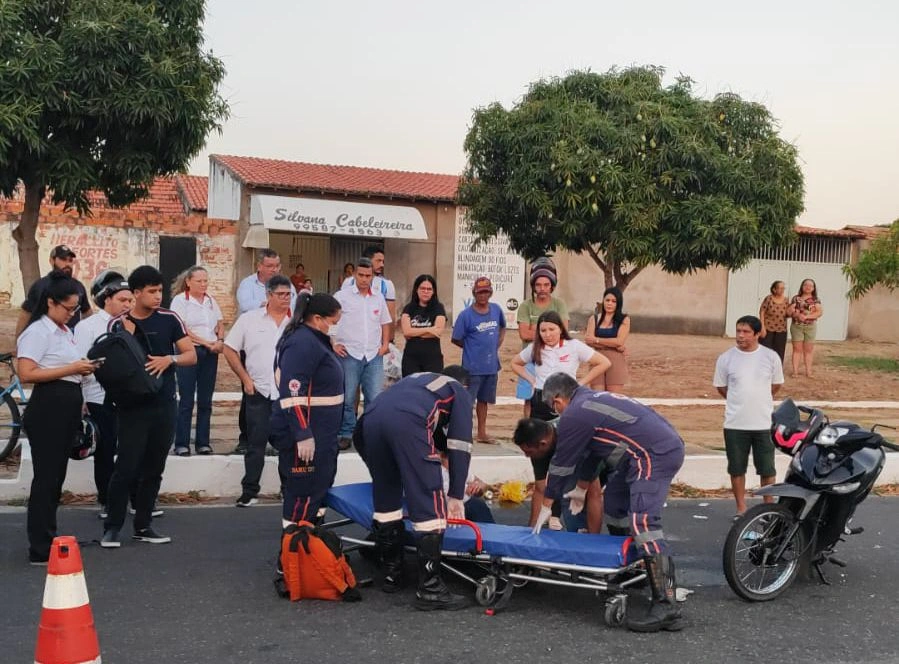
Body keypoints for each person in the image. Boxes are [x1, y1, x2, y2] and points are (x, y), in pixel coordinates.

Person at [535, 372, 686, 633]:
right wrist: (582, 488)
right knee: (615, 505)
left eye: (553, 407)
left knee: (644, 523)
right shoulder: (590, 401)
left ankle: (667, 602)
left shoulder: (575, 412)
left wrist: (547, 504)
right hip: (643, 452)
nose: (556, 413)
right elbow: (594, 451)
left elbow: (561, 463)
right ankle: (635, 569)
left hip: (653, 455)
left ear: (558, 400)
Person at [358, 366, 474, 610]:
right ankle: (430, 589)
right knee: (429, 501)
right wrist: (455, 495)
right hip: (408, 422)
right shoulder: (459, 392)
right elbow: (459, 444)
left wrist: (382, 471)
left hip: (370, 419)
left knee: (387, 502)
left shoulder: (414, 381)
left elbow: (361, 436)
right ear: (465, 387)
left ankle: (392, 575)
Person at [100, 266, 196, 548]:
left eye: (160, 291)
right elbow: (114, 364)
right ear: (136, 293)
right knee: (126, 466)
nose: (157, 296)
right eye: (151, 291)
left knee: (154, 467)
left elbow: (190, 355)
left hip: (165, 403)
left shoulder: (170, 319)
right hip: (132, 406)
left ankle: (143, 525)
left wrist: (170, 359)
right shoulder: (117, 323)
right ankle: (112, 527)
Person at [16, 272, 97, 564]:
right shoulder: (38, 332)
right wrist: (71, 368)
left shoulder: (64, 331)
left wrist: (82, 371)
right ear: (51, 302)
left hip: (67, 404)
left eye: (76, 308)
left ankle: (48, 538)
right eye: (68, 308)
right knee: (47, 479)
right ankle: (39, 546)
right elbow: (26, 373)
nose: (72, 313)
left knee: (56, 478)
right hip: (48, 406)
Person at [270, 293, 344, 530]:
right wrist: (302, 433)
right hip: (308, 435)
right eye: (333, 323)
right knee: (303, 492)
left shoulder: (316, 340)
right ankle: (293, 552)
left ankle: (312, 543)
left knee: (319, 489)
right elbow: (293, 391)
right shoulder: (302, 343)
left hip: (323, 433)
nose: (334, 328)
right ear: (317, 318)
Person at [223, 275, 293, 507]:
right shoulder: (249, 320)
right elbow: (230, 349)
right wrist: (244, 378)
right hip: (259, 390)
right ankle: (250, 490)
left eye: (289, 294)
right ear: (269, 295)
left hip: (287, 393)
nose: (285, 299)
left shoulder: (296, 324)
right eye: (281, 294)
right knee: (255, 444)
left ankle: (288, 489)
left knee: (288, 444)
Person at [74, 271, 134, 518]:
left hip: (129, 397)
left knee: (129, 449)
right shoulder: (86, 327)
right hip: (98, 398)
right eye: (123, 300)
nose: (128, 305)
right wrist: (80, 400)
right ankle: (107, 500)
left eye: (130, 300)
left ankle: (129, 498)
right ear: (106, 298)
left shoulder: (131, 324)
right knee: (107, 450)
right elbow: (79, 364)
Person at [713, 315, 784, 517]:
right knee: (736, 468)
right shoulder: (726, 358)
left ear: (757, 334)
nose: (740, 336)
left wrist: (758, 399)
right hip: (735, 423)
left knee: (767, 469)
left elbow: (776, 385)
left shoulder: (770, 357)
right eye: (738, 331)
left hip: (763, 423)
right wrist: (737, 399)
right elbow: (721, 387)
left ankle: (768, 508)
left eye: (745, 332)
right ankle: (741, 508)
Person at [234, 249, 297, 455]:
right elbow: (246, 305)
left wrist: (277, 302)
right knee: (252, 394)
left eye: (277, 266)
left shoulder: (288, 286)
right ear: (259, 266)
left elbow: (293, 310)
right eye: (269, 266)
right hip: (253, 339)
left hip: (281, 338)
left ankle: (276, 437)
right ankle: (247, 437)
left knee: (280, 395)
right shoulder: (247, 284)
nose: (273, 269)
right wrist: (268, 304)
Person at [333, 258, 391, 451]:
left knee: (374, 398)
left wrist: (384, 345)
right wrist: (333, 343)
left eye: (368, 276)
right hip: (349, 353)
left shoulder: (378, 298)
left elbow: (385, 322)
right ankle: (346, 433)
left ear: (373, 276)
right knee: (348, 397)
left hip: (373, 354)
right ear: (354, 274)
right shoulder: (342, 296)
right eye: (361, 275)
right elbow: (329, 321)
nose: (364, 279)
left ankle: (368, 434)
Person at [512, 311, 610, 420]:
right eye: (543, 330)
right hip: (541, 398)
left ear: (560, 329)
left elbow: (604, 362)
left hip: (566, 397)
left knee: (565, 433)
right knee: (540, 435)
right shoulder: (535, 347)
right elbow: (515, 363)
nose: (547, 334)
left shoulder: (574, 346)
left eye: (552, 329)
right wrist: (531, 380)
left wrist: (581, 383)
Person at [513, 418, 605, 534]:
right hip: (576, 456)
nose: (527, 456)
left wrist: (594, 539)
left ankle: (594, 541)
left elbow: (594, 494)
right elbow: (540, 490)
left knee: (614, 509)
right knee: (570, 504)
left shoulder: (571, 437)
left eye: (529, 452)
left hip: (608, 457)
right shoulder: (537, 446)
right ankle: (578, 534)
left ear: (543, 444)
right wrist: (532, 532)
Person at [169, 266, 224, 456]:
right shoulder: (180, 301)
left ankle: (203, 442)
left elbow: (220, 323)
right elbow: (182, 329)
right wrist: (205, 343)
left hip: (210, 351)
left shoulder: (210, 301)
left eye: (205, 281)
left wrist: (219, 341)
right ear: (188, 282)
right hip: (190, 350)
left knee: (205, 399)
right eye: (199, 281)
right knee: (186, 398)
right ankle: (181, 442)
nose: (203, 284)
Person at [451, 276, 506, 443]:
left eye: (486, 292)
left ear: (491, 293)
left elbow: (502, 327)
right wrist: (471, 348)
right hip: (471, 368)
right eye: (479, 292)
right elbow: (456, 338)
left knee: (484, 401)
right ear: (474, 293)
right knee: (467, 403)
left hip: (491, 366)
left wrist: (496, 344)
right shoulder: (466, 315)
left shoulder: (496, 310)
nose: (483, 295)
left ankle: (482, 433)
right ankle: (464, 433)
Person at [516, 259, 569, 416]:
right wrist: (551, 331)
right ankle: (529, 430)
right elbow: (523, 334)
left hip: (554, 359)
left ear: (552, 285)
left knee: (556, 396)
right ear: (533, 285)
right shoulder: (526, 306)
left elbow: (563, 332)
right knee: (529, 398)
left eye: (546, 285)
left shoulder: (559, 305)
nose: (542, 289)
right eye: (538, 285)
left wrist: (535, 328)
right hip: (530, 359)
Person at [15, 245, 92, 337]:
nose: (67, 264)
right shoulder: (40, 286)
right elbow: (26, 313)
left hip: (69, 338)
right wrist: (17, 341)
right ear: (52, 261)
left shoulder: (78, 287)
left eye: (70, 260)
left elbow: (87, 313)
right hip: (43, 338)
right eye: (63, 259)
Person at [342, 245, 396, 338]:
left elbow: (390, 317)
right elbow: (341, 311)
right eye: (378, 261)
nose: (382, 265)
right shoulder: (349, 282)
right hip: (351, 338)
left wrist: (389, 341)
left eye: (383, 261)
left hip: (376, 340)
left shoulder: (387, 285)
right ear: (367, 260)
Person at [584, 287, 630, 392]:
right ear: (603, 301)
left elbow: (619, 341)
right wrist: (615, 345)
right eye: (607, 300)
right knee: (598, 397)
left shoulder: (624, 319)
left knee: (613, 399)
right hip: (596, 359)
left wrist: (596, 341)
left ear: (618, 303)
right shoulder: (594, 318)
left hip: (616, 360)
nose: (609, 304)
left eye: (613, 301)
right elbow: (588, 340)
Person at [400, 274, 446, 376]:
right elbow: (407, 332)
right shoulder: (408, 308)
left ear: (433, 291)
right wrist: (430, 330)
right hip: (411, 360)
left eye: (429, 289)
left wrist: (414, 332)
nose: (426, 291)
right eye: (422, 288)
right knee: (412, 390)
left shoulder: (439, 308)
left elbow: (438, 332)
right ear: (416, 289)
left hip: (433, 360)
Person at [787, 278, 823, 378]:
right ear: (802, 286)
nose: (808, 287)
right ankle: (795, 372)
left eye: (810, 286)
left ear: (813, 288)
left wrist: (806, 316)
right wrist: (794, 312)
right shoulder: (796, 298)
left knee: (808, 350)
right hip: (797, 326)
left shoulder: (816, 299)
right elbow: (789, 312)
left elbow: (819, 312)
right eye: (805, 285)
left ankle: (808, 372)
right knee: (796, 349)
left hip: (810, 327)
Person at [758, 280, 790, 363]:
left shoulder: (786, 300)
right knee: (765, 349)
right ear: (774, 289)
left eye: (783, 288)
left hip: (781, 329)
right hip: (768, 328)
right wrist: (762, 327)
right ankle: (763, 368)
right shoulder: (769, 298)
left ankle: (777, 369)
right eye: (780, 288)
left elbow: (788, 313)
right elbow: (762, 311)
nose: (782, 290)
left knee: (780, 350)